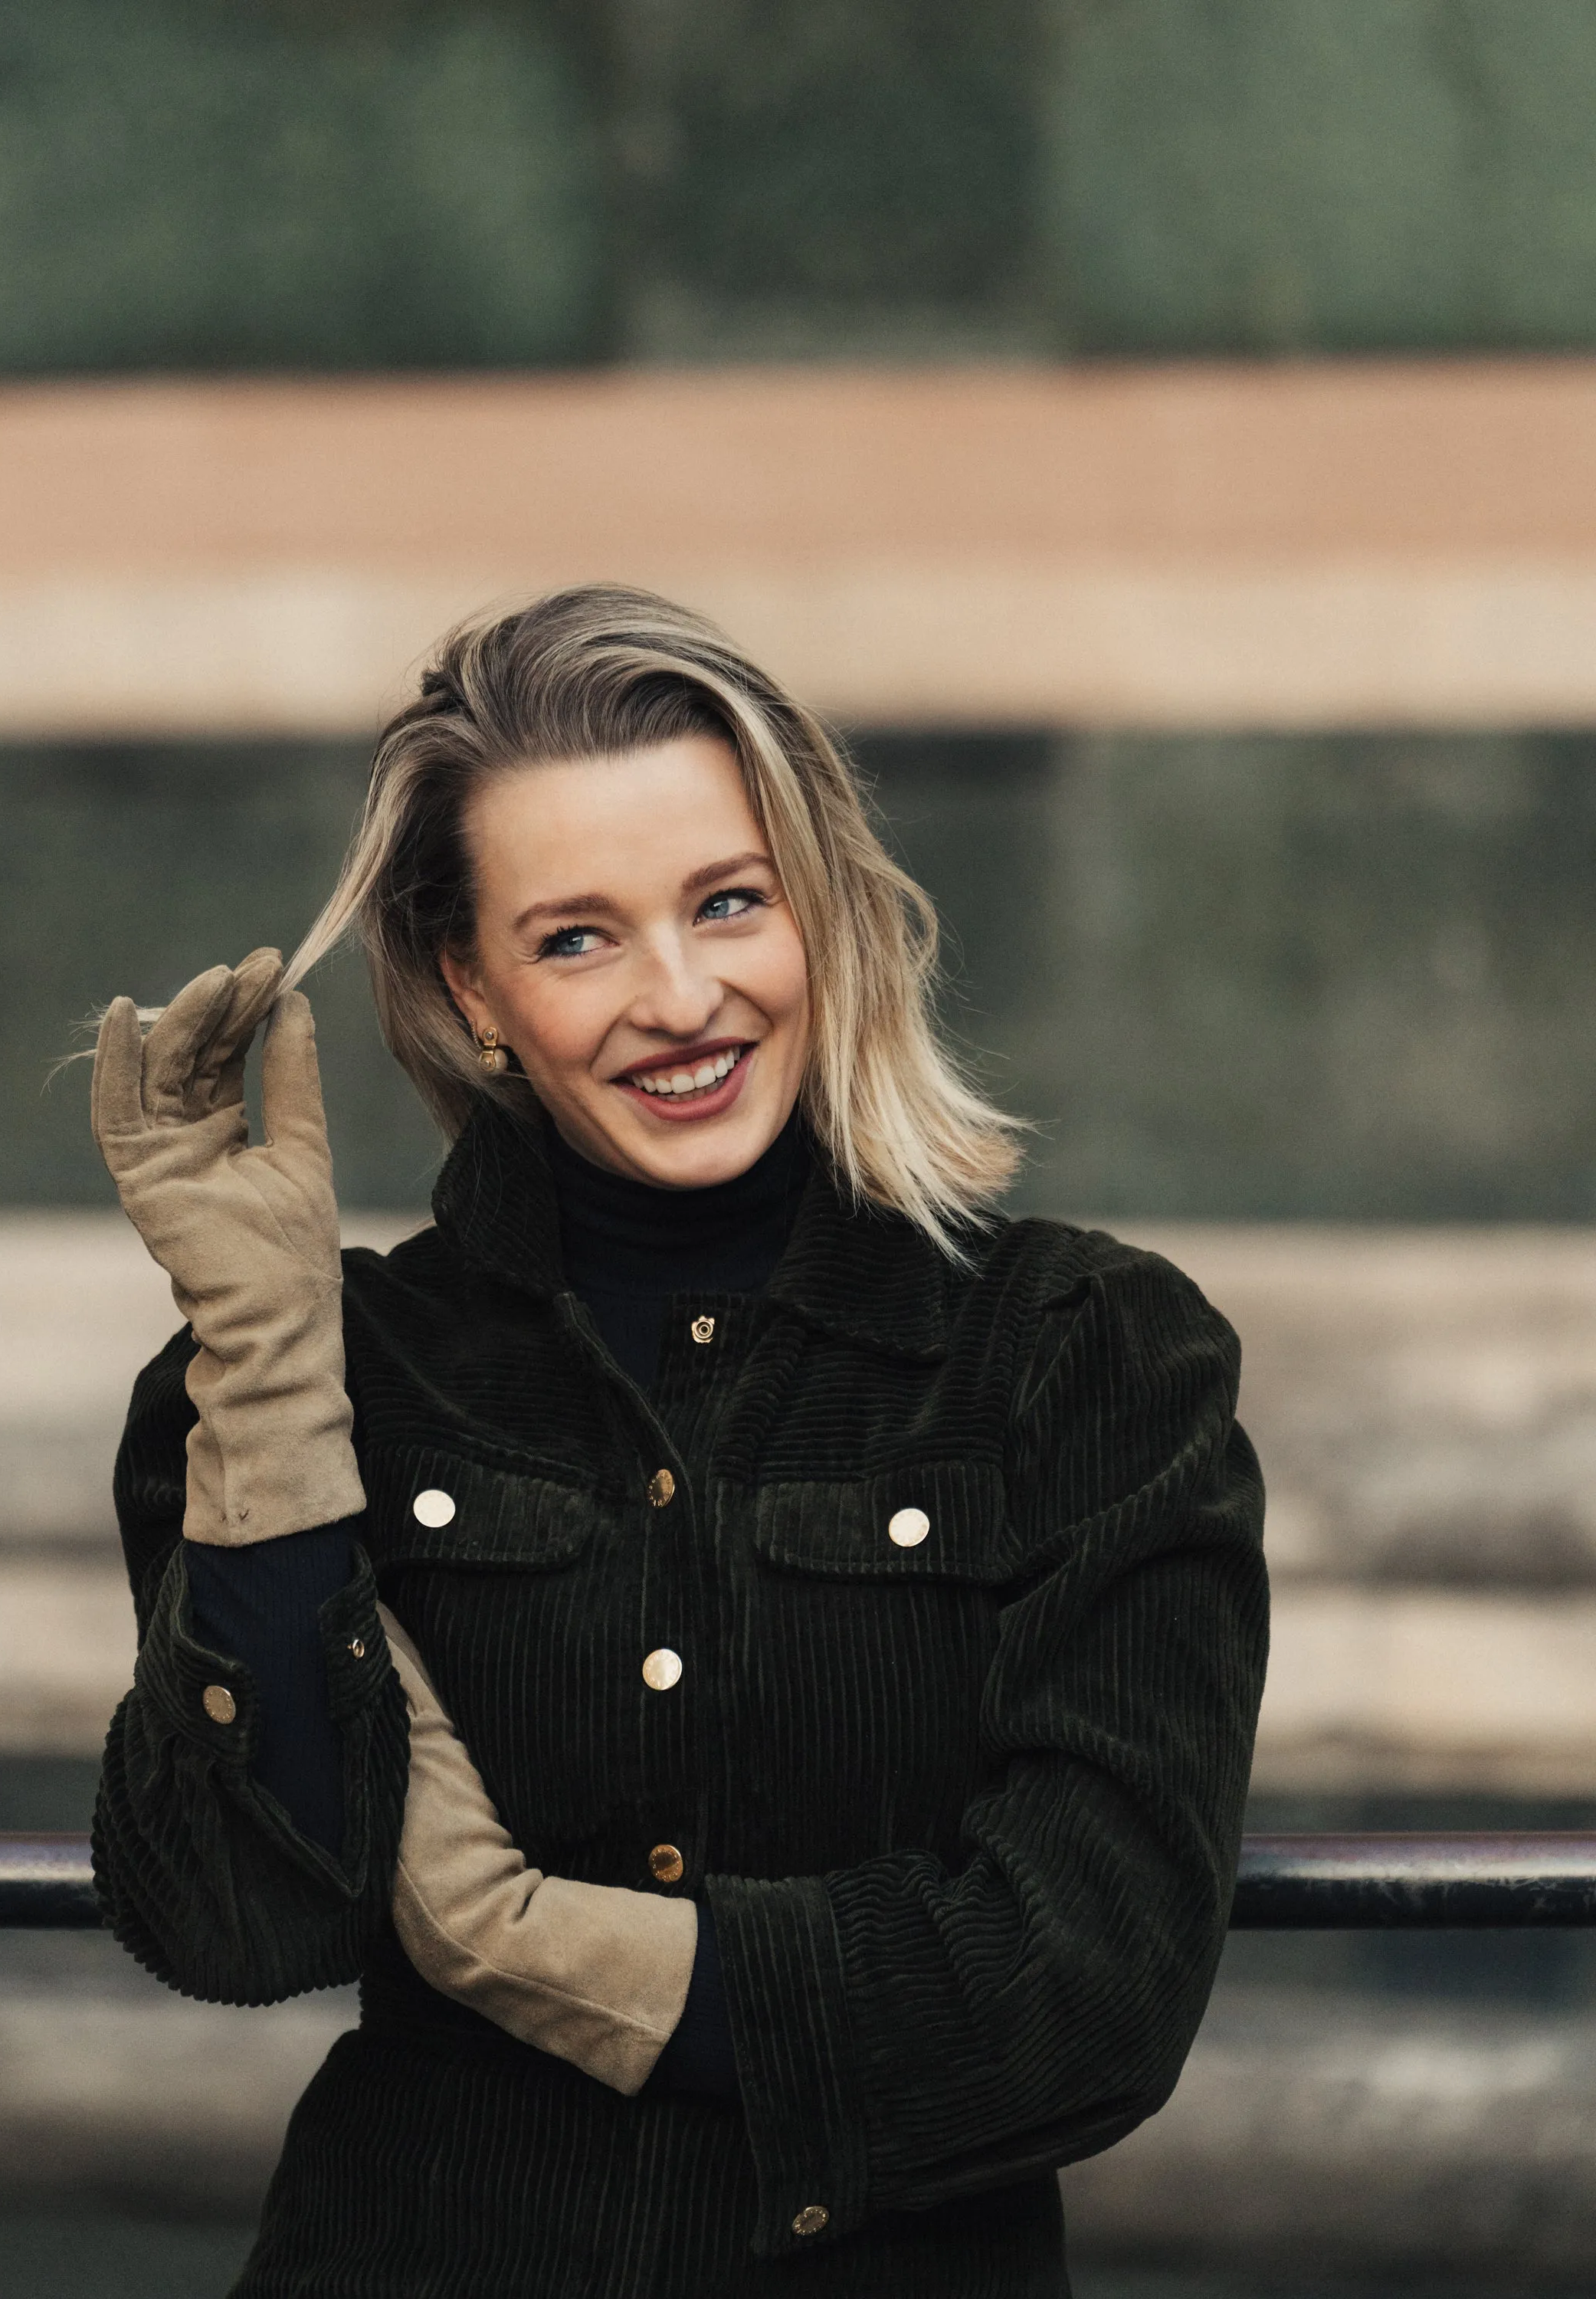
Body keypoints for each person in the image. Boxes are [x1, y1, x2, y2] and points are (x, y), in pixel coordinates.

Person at [91, 584, 1268, 2297]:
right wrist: (269, 1376)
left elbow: (1088, 1991)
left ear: (826, 913)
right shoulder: (326, 1370)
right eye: (577, 938)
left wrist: (535, 1948)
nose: (681, 994)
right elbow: (230, 1919)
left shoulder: (1086, 1358)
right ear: (470, 985)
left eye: (731, 903)